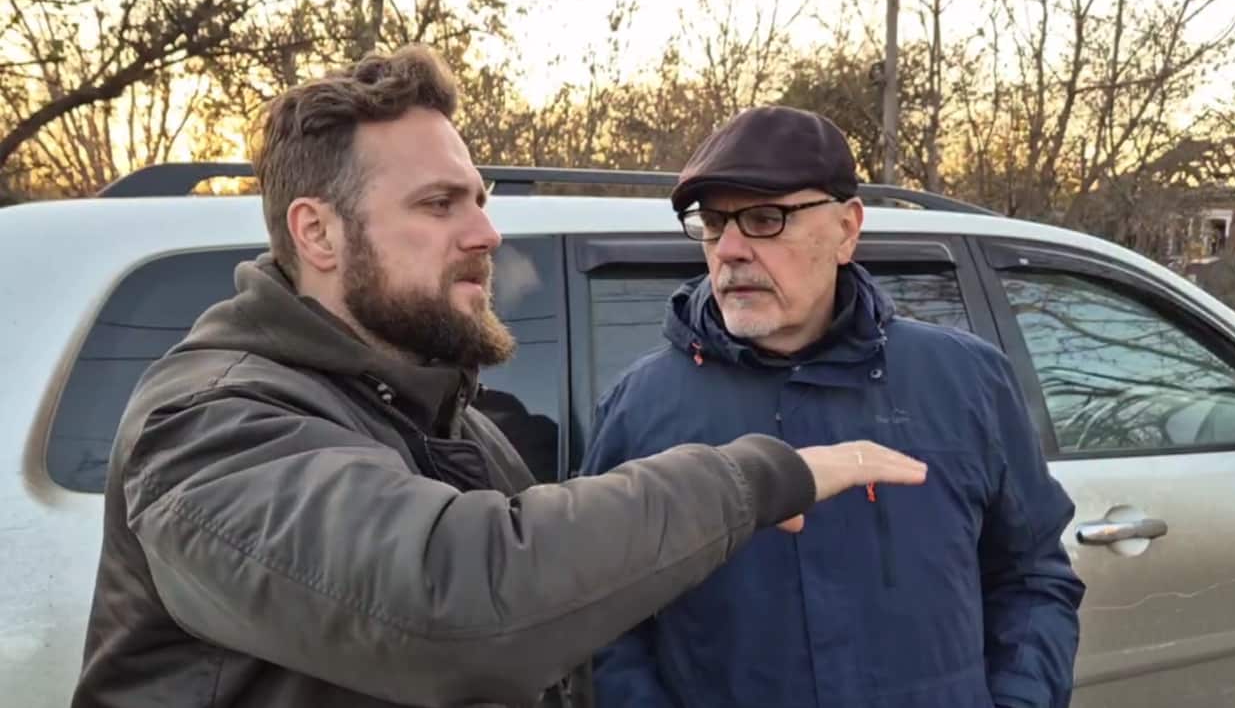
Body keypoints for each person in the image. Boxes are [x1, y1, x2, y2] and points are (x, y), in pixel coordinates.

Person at [68, 49, 928, 708]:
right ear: (318, 234)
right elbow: (462, 597)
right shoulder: (210, 424)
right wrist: (756, 474)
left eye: (479, 198)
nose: (486, 232)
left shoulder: (448, 417)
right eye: (440, 205)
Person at [583, 105, 1086, 708]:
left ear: (847, 230)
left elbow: (1032, 577)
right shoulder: (641, 408)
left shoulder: (966, 381)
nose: (731, 249)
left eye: (765, 218)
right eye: (714, 223)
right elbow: (602, 619)